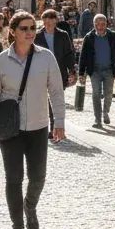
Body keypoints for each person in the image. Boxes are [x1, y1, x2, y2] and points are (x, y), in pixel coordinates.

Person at [0, 11, 65, 229]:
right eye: (24, 29)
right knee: (14, 178)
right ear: (13, 31)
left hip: (39, 125)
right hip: (10, 128)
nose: (30, 33)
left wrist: (59, 121)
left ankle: (30, 206)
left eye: (32, 28)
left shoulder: (46, 57)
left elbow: (56, 92)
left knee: (38, 176)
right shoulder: (0, 61)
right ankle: (17, 227)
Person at [77, 13, 115, 129]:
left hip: (109, 69)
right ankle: (97, 119)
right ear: (94, 25)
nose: (100, 27)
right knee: (96, 94)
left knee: (108, 94)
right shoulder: (89, 38)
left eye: (102, 24)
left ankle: (105, 112)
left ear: (106, 24)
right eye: (97, 24)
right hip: (95, 71)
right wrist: (81, 73)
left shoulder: (112, 36)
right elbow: (83, 55)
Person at [35, 8, 76, 139]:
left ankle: (54, 128)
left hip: (59, 71)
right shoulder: (37, 36)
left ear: (55, 22)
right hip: (41, 72)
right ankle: (46, 126)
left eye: (51, 24)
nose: (48, 26)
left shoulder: (63, 35)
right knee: (45, 101)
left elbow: (69, 54)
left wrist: (72, 71)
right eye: (46, 23)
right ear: (43, 22)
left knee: (56, 99)